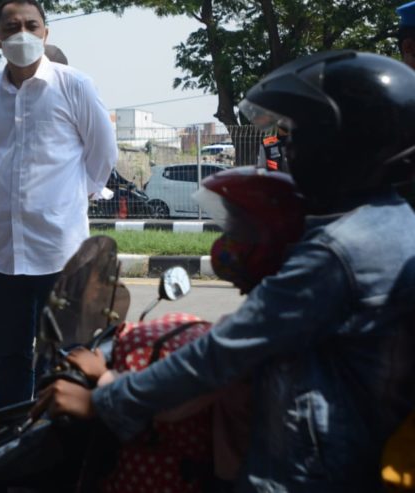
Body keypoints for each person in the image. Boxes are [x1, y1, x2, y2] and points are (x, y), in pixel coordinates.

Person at [35, 51, 415, 492]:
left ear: (344, 143)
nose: (288, 149)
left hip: (305, 476)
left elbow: (222, 355)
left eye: (298, 135)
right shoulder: (394, 222)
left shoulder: (337, 251)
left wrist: (103, 399)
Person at [0, 0, 117, 413]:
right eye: (12, 27)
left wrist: (69, 198)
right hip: (3, 250)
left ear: (46, 32)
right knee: (10, 354)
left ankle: (60, 442)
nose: (22, 34)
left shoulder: (75, 85)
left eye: (31, 25)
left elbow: (102, 155)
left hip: (60, 250)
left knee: (66, 353)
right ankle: (12, 436)